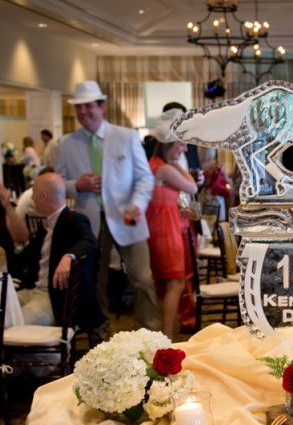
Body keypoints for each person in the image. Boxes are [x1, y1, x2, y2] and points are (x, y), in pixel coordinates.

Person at [55, 80, 160, 331]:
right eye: (78, 108)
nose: (83, 112)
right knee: (93, 281)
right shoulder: (66, 144)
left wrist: (137, 204)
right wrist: (76, 185)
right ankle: (102, 338)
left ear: (101, 107)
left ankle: (151, 333)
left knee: (143, 279)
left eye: (88, 106)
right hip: (89, 220)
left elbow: (145, 177)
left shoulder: (126, 136)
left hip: (127, 217)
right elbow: (58, 184)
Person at [16, 172, 105, 332]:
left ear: (43, 196)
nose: (32, 199)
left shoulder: (74, 219)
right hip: (33, 290)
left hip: (54, 297)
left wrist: (69, 256)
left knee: (15, 326)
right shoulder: (47, 225)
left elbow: (89, 241)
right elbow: (25, 259)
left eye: (34, 194)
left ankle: (55, 356)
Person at [147, 111, 199, 337]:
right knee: (176, 282)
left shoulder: (156, 164)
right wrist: (177, 164)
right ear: (169, 143)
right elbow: (193, 187)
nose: (185, 149)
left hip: (162, 224)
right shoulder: (165, 168)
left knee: (164, 283)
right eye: (182, 143)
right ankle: (166, 336)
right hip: (166, 229)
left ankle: (162, 333)